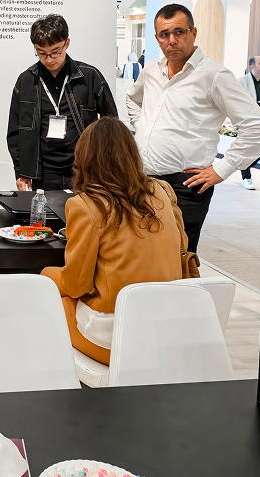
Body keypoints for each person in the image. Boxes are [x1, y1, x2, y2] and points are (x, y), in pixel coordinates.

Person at [41, 117, 188, 364]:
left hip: (116, 340)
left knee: (47, 283)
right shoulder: (162, 190)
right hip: (168, 329)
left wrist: (48, 274)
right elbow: (182, 248)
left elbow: (76, 286)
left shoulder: (86, 205)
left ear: (84, 156)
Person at [127, 3, 260, 253]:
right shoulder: (151, 71)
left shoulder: (214, 75)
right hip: (143, 181)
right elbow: (132, 98)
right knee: (142, 257)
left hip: (185, 186)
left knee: (178, 260)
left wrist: (222, 169)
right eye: (164, 34)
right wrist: (142, 125)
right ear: (157, 38)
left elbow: (257, 126)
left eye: (179, 32)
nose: (172, 40)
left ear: (193, 33)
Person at [7, 14, 119, 192]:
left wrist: (105, 166)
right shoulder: (26, 81)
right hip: (42, 173)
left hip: (83, 169)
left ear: (67, 43)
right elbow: (14, 133)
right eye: (41, 53)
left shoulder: (89, 77)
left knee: (82, 211)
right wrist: (22, 172)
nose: (49, 59)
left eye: (55, 52)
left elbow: (112, 125)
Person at [237, 55, 260, 190]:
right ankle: (246, 178)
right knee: (247, 149)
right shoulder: (242, 81)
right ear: (252, 66)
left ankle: (245, 166)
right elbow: (238, 103)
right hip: (249, 121)